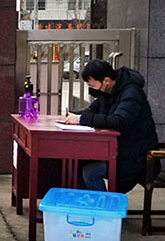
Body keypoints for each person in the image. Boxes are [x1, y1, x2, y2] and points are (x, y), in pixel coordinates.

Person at [64, 60, 159, 192]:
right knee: (73, 164)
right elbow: (92, 110)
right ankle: (87, 202)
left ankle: (105, 204)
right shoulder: (110, 91)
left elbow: (119, 121)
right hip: (117, 150)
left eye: (93, 85)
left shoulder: (131, 93)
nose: (92, 89)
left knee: (90, 172)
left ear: (106, 80)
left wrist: (80, 119)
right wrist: (73, 116)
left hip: (135, 156)